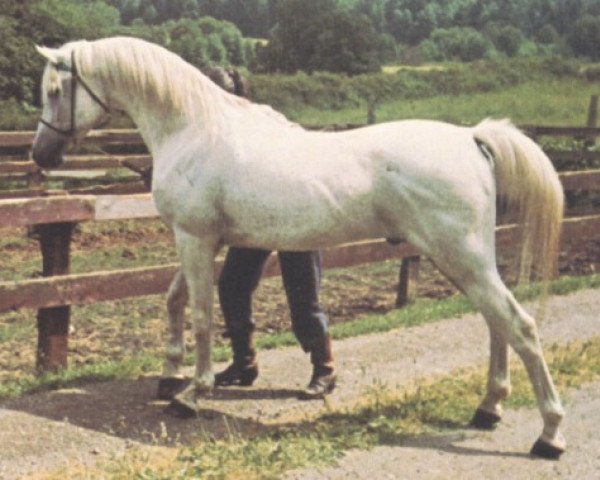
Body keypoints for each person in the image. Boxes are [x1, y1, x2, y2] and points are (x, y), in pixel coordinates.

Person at [205, 67, 336, 399]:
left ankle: (325, 368)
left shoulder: (264, 119)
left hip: (295, 215)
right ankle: (244, 362)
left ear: (237, 95)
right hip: (254, 220)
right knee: (233, 284)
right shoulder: (216, 132)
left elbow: (302, 148)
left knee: (303, 295)